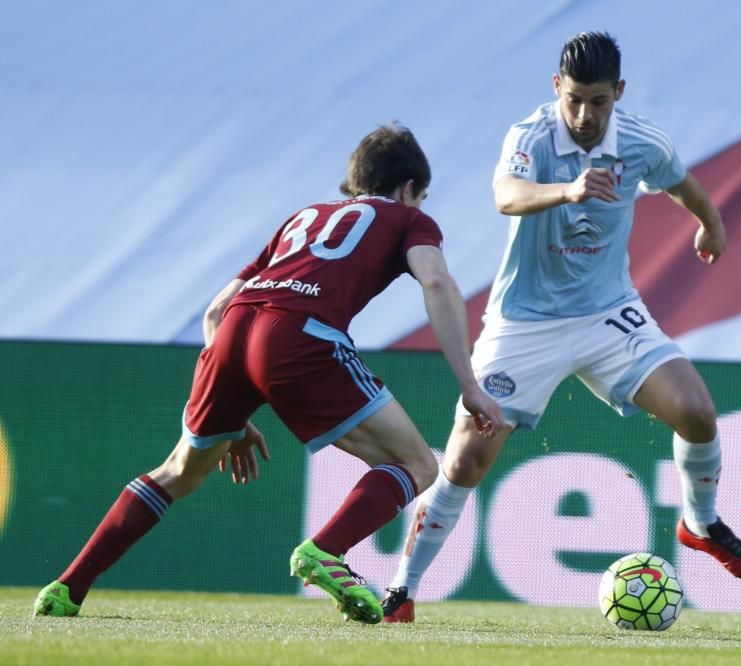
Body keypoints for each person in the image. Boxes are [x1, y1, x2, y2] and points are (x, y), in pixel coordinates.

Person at [33, 123, 506, 623]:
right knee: (418, 465)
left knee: (176, 472)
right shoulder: (409, 219)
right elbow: (435, 279)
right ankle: (325, 552)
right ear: (409, 189)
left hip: (234, 331)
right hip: (298, 335)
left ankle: (67, 588)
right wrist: (469, 385)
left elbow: (216, 309)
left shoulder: (303, 217)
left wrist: (233, 409)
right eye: (420, 196)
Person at [380, 31, 741, 623]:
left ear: (619, 92)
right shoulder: (531, 136)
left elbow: (680, 181)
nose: (586, 116)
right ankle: (401, 590)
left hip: (607, 312)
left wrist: (711, 226)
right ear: (557, 87)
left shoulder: (640, 141)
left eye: (599, 102)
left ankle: (701, 523)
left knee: (696, 410)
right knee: (465, 462)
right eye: (576, 100)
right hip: (524, 323)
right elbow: (506, 196)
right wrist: (568, 188)